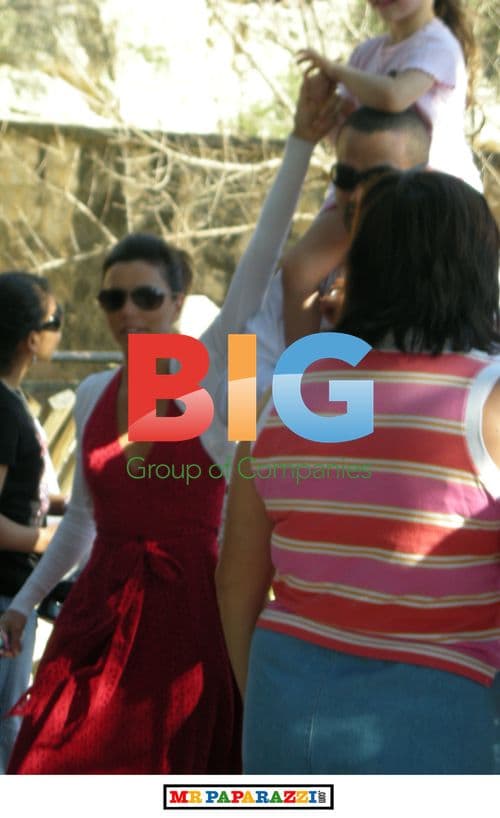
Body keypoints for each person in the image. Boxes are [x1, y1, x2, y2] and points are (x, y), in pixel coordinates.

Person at [0, 74, 340, 774]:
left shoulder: (216, 376)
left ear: (177, 301)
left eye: (146, 296)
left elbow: (257, 265)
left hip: (191, 627)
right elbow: (83, 523)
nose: (128, 311)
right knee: (47, 770)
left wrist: (302, 143)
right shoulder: (96, 389)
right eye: (112, 298)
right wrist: (27, 603)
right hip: (95, 617)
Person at [216, 169, 500, 774]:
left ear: (363, 267)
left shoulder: (283, 400)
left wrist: (264, 702)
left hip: (284, 709)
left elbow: (236, 580)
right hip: (448, 719)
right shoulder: (489, 400)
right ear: (479, 268)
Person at [282, 0, 481, 342]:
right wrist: (322, 114)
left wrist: (336, 70)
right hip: (363, 194)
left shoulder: (439, 45)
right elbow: (350, 137)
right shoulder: (366, 54)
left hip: (429, 201)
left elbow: (394, 97)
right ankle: (300, 383)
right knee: (297, 271)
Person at [246, 105, 431, 370]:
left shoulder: (449, 272)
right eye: (346, 177)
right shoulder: (307, 268)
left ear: (423, 179)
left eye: (380, 179)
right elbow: (238, 383)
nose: (357, 194)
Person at [0, 272, 62, 773]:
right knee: (5, 731)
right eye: (54, 320)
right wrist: (48, 538)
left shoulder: (15, 401)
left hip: (15, 593)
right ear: (30, 337)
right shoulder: (1, 409)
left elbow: (27, 489)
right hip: (2, 595)